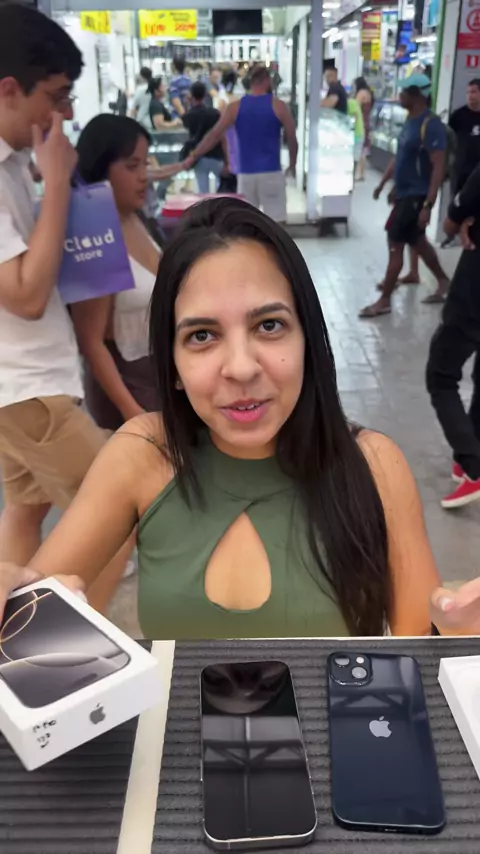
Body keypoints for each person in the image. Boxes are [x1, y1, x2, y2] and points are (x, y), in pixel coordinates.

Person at [0, 197, 450, 639]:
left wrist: (460, 632)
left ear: (307, 340)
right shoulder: (143, 454)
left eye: (269, 325)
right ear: (172, 366)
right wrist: (10, 593)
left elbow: (423, 652)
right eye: (202, 335)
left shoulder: (374, 466)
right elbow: (28, 629)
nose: (241, 368)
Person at [0, 4, 132, 610]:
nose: (67, 114)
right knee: (118, 510)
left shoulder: (12, 165)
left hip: (25, 387)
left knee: (26, 511)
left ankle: (13, 639)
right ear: (10, 90)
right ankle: (77, 643)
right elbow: (26, 295)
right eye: (56, 97)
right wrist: (56, 182)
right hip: (28, 390)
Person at [71, 115, 165, 431]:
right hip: (128, 389)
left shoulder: (137, 218)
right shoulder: (93, 232)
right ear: (101, 169)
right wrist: (131, 411)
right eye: (131, 166)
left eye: (145, 164)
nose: (143, 176)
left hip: (164, 378)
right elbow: (91, 342)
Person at [360, 74, 450, 318]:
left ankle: (384, 300)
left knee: (395, 243)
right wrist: (384, 184)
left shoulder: (431, 125)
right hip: (404, 194)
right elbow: (399, 157)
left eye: (403, 93)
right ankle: (443, 281)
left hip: (416, 197)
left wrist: (428, 204)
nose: (399, 96)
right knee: (418, 241)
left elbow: (438, 167)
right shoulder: (410, 120)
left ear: (416, 95)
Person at [426, 164, 480, 508]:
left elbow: (447, 224)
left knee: (441, 375)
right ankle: (469, 456)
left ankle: (474, 468)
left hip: (474, 292)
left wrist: (462, 220)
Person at [185, 65, 298, 224]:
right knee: (277, 224)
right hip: (272, 172)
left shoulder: (235, 108)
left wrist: (194, 155)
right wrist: (292, 165)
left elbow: (214, 135)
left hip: (245, 175)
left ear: (250, 82)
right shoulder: (279, 106)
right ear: (267, 81)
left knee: (247, 225)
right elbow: (292, 139)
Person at [182, 81, 226, 194]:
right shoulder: (215, 113)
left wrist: (186, 104)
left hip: (198, 156)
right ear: (205, 94)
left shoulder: (190, 115)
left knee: (202, 191)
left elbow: (185, 121)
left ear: (191, 95)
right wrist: (228, 159)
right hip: (217, 155)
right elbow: (222, 136)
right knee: (222, 189)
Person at [449, 79, 480, 195]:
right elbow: (449, 139)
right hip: (461, 170)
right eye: (468, 92)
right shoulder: (458, 116)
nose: (470, 96)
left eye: (473, 92)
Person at [353, 76, 373, 181]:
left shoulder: (361, 93)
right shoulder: (369, 93)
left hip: (360, 122)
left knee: (359, 149)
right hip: (367, 121)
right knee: (364, 149)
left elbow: (355, 106)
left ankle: (358, 173)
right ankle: (362, 173)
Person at [347, 96, 365, 182]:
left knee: (354, 157)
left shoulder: (350, 102)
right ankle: (351, 177)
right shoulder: (353, 102)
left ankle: (352, 178)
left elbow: (354, 116)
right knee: (355, 156)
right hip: (358, 133)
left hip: (356, 134)